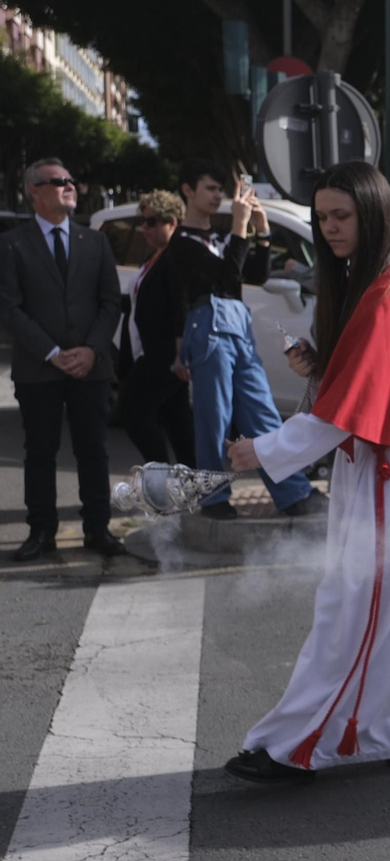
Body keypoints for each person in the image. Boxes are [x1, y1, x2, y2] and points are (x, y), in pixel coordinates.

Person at [222, 161, 390, 783]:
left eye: (342, 216)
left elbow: (349, 410)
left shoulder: (386, 293)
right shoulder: (379, 287)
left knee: (356, 609)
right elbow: (355, 391)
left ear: (372, 215)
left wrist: (265, 451)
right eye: (322, 218)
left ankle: (296, 743)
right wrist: (322, 370)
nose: (330, 228)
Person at [167, 158, 323, 520]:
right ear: (188, 191)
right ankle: (213, 497)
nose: (217, 195)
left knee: (262, 411)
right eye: (209, 187)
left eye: (220, 189)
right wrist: (239, 227)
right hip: (207, 323)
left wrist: (262, 233)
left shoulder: (221, 237)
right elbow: (225, 274)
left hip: (236, 324)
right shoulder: (182, 242)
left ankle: (293, 492)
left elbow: (252, 272)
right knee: (214, 417)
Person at [0, 158, 124, 560]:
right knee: (40, 451)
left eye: (72, 180)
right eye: (58, 182)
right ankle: (41, 532)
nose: (69, 186)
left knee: (93, 449)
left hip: (92, 366)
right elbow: (10, 308)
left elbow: (110, 302)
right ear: (34, 191)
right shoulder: (12, 243)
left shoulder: (96, 241)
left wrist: (91, 349)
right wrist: (52, 353)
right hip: (39, 369)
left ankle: (98, 529)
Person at [116, 190, 194, 466]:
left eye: (151, 222)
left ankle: (161, 475)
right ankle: (191, 481)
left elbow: (180, 306)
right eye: (143, 222)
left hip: (162, 357)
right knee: (177, 420)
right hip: (149, 353)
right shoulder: (154, 258)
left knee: (131, 412)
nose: (144, 228)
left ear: (172, 222)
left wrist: (180, 353)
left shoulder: (174, 257)